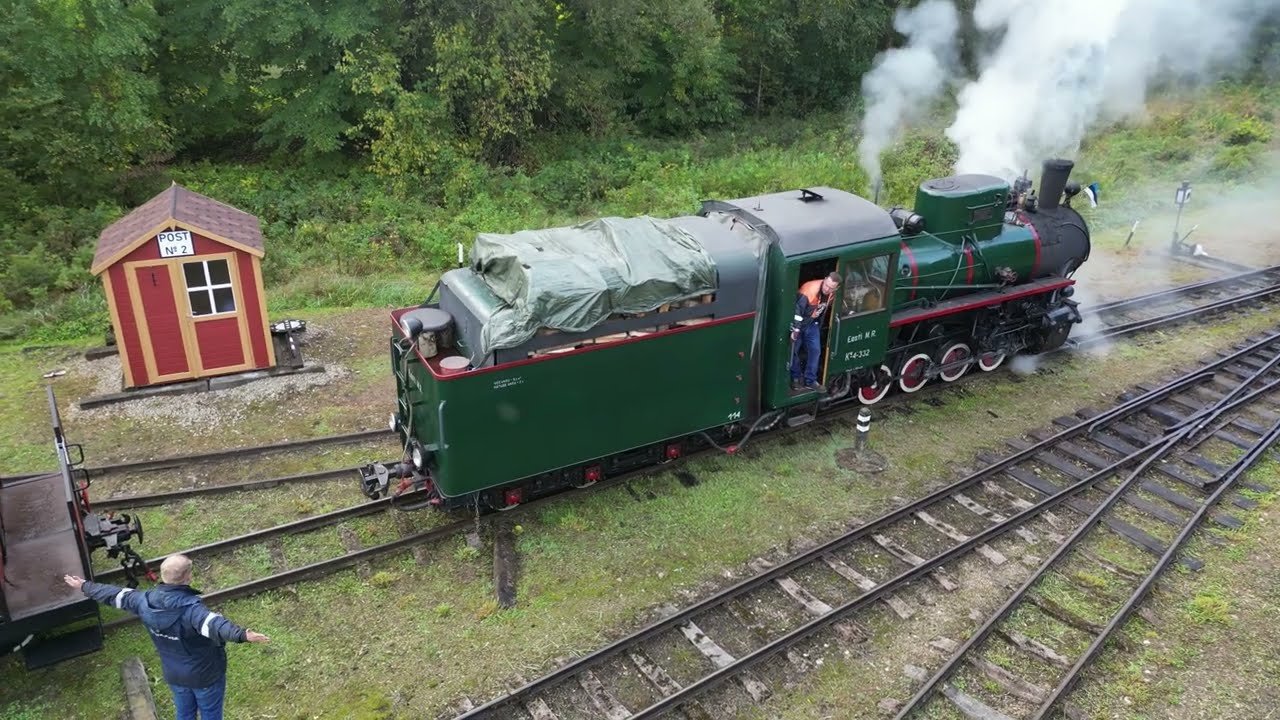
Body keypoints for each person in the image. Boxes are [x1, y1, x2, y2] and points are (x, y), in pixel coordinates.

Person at [64, 554, 269, 720]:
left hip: (174, 674)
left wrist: (85, 586)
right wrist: (243, 635)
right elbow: (214, 625)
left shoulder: (143, 601)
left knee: (184, 713)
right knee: (211, 714)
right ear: (187, 577)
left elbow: (113, 594)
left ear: (163, 576)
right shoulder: (191, 610)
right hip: (205, 675)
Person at [790, 272, 840, 392]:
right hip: (801, 324)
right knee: (794, 351)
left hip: (813, 324)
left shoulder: (833, 294)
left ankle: (810, 381)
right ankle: (795, 379)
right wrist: (796, 329)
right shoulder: (808, 290)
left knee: (815, 351)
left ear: (836, 288)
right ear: (824, 280)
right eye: (826, 285)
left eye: (831, 288)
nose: (827, 289)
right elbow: (797, 311)